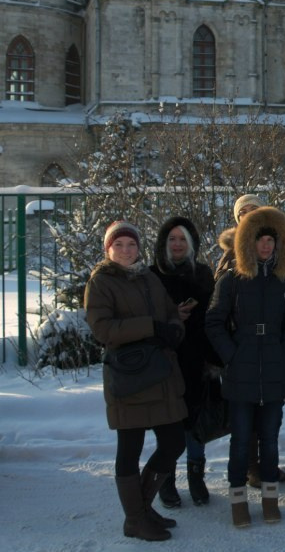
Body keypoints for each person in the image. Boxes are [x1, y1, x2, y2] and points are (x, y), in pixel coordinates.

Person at [85, 220, 188, 542]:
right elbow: (104, 330)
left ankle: (141, 509)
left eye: (131, 245)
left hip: (160, 374)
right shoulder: (101, 282)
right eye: (119, 245)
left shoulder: (148, 276)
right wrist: (151, 327)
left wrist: (173, 329)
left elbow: (170, 313)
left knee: (174, 441)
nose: (127, 251)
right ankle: (135, 518)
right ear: (108, 249)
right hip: (129, 378)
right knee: (130, 449)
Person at [205, 207, 285, 527]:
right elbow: (214, 321)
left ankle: (270, 499)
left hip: (274, 367)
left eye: (271, 241)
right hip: (241, 370)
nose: (266, 246)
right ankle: (238, 501)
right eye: (260, 240)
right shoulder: (233, 278)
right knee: (241, 439)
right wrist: (231, 355)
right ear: (249, 242)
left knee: (270, 438)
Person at [213, 193, 285, 485]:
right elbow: (218, 300)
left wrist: (284, 349)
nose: (249, 216)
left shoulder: (277, 247)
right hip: (242, 346)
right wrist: (230, 351)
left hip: (271, 347)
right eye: (244, 212)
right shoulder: (232, 252)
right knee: (244, 419)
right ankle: (250, 467)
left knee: (269, 416)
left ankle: (265, 466)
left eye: (255, 211)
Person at [147, 216, 218, 508]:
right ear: (164, 243)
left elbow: (213, 317)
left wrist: (213, 360)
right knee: (168, 422)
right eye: (172, 239)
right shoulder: (151, 275)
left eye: (183, 239)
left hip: (194, 357)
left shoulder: (202, 274)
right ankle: (166, 480)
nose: (177, 244)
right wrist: (172, 316)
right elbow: (144, 317)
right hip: (163, 358)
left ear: (192, 245)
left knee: (194, 421)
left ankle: (196, 476)